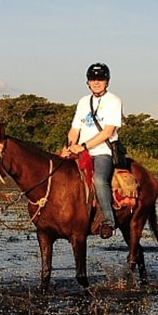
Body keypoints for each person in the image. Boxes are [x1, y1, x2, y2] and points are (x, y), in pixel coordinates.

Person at [63, 62, 123, 239]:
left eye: (100, 79)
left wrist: (83, 146)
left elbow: (108, 131)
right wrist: (68, 147)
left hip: (102, 151)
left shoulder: (113, 101)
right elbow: (75, 129)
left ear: (107, 81)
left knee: (99, 180)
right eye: (92, 79)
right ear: (88, 82)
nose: (96, 82)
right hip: (81, 151)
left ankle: (108, 221)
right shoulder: (83, 102)